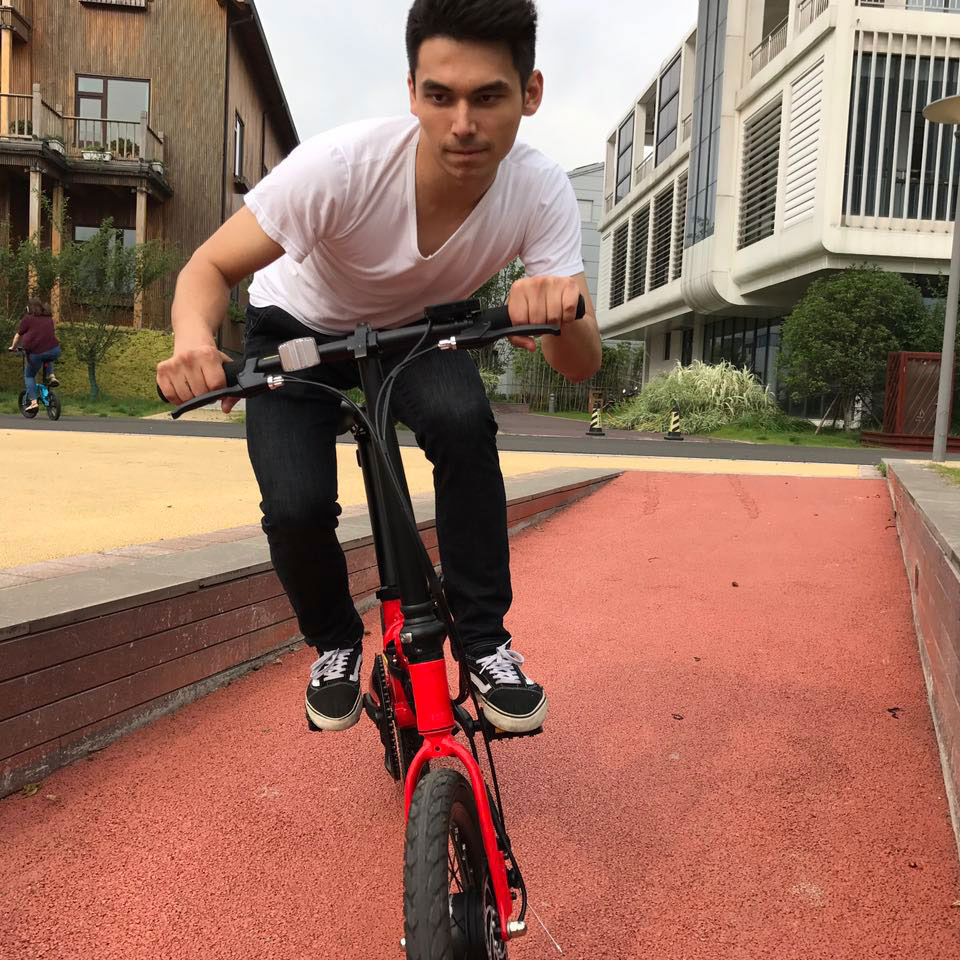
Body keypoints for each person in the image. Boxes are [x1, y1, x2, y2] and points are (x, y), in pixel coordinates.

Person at [157, 0, 601, 735]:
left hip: (414, 329)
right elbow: (208, 266)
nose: (463, 124)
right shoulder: (341, 168)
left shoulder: (540, 189)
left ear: (530, 94)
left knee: (463, 424)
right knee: (296, 506)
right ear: (412, 91)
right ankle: (334, 640)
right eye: (441, 96)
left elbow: (578, 365)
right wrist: (193, 341)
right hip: (295, 328)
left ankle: (484, 643)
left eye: (488, 97)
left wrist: (565, 309)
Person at [8, 298, 61, 412]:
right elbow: (52, 332)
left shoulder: (27, 319)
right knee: (48, 356)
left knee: (29, 376)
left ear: (28, 308)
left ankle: (33, 403)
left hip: (36, 352)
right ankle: (51, 376)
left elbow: (18, 335)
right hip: (54, 350)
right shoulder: (49, 318)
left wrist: (13, 347)